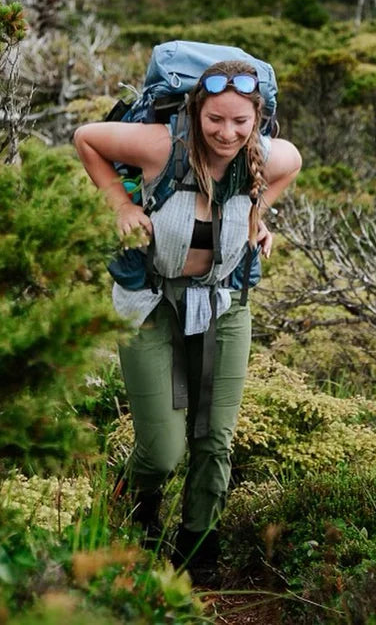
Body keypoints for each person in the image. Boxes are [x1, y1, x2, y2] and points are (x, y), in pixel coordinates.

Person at [73, 58, 301, 583]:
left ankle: (198, 554)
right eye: (215, 119)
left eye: (241, 122)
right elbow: (87, 138)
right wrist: (119, 206)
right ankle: (136, 503)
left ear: (256, 119)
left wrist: (257, 215)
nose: (227, 133)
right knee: (163, 449)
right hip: (150, 302)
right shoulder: (161, 146)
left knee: (214, 438)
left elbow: (293, 164)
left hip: (224, 303)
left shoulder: (265, 154)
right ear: (197, 110)